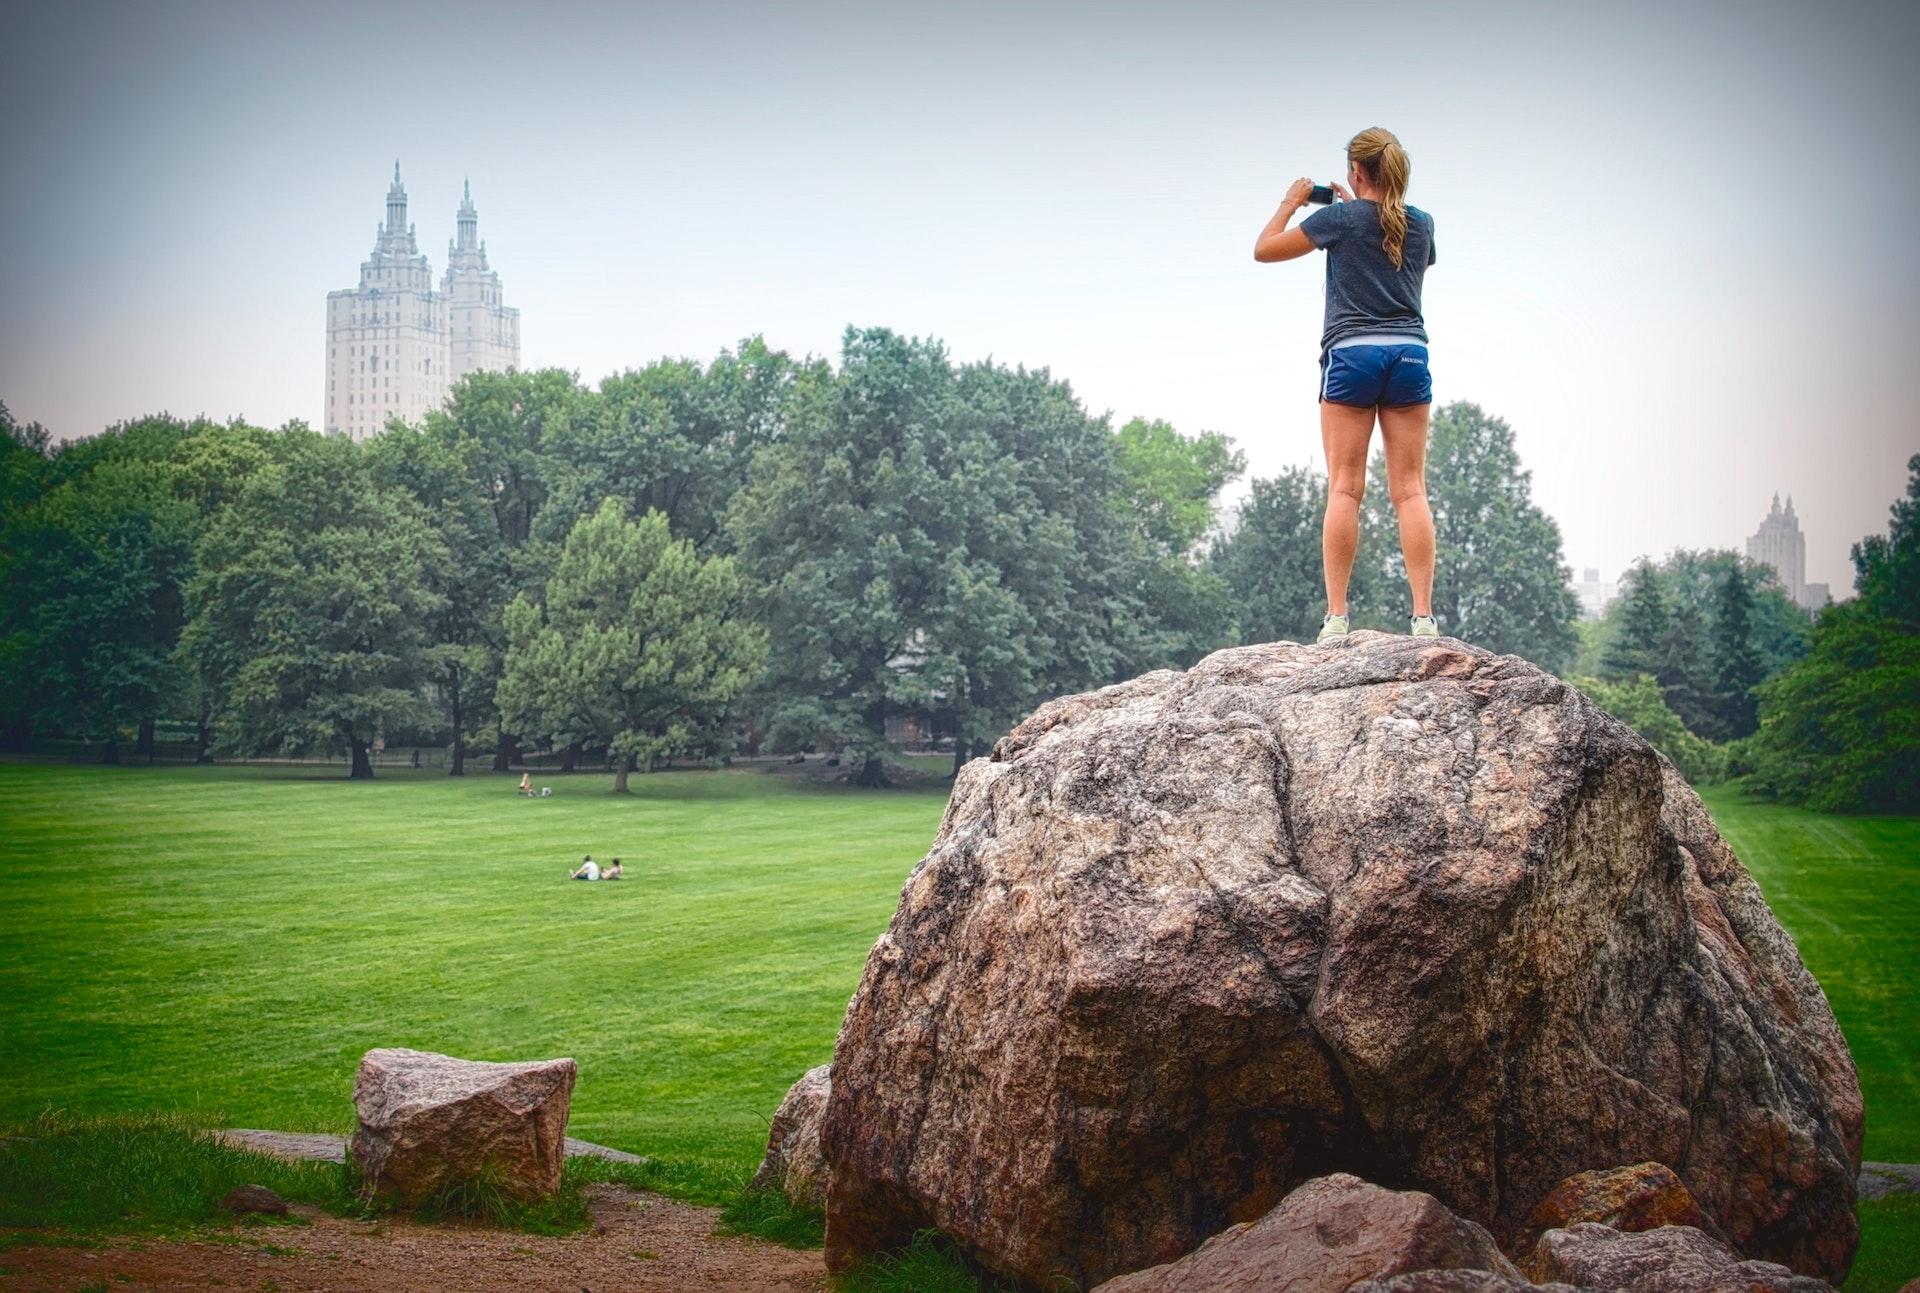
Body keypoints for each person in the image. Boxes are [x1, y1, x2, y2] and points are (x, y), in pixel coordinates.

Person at [1252, 127, 1440, 644]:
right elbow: (1399, 250)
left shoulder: (1337, 219)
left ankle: (1337, 619)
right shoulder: (1422, 224)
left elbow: (1264, 250)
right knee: (1410, 490)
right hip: (1408, 353)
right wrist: (1366, 208)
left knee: (1345, 488)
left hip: (1352, 355)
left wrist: (1291, 202)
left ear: (1357, 171)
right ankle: (1423, 619)